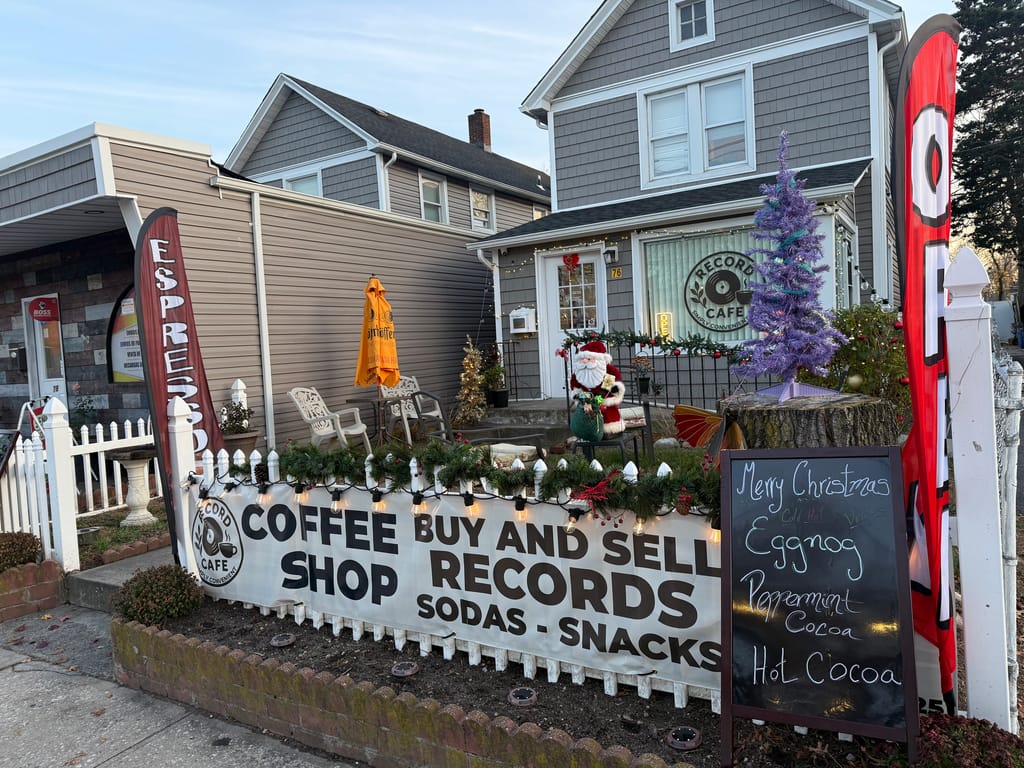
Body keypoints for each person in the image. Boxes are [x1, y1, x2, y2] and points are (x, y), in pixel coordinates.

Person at [569, 340, 625, 437]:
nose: (585, 361)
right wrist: (584, 399)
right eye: (582, 359)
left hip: (604, 400)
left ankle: (609, 431)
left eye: (589, 359)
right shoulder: (578, 374)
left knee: (608, 416)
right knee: (587, 418)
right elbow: (576, 389)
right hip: (587, 404)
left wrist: (596, 401)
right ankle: (588, 431)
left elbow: (607, 388)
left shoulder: (609, 371)